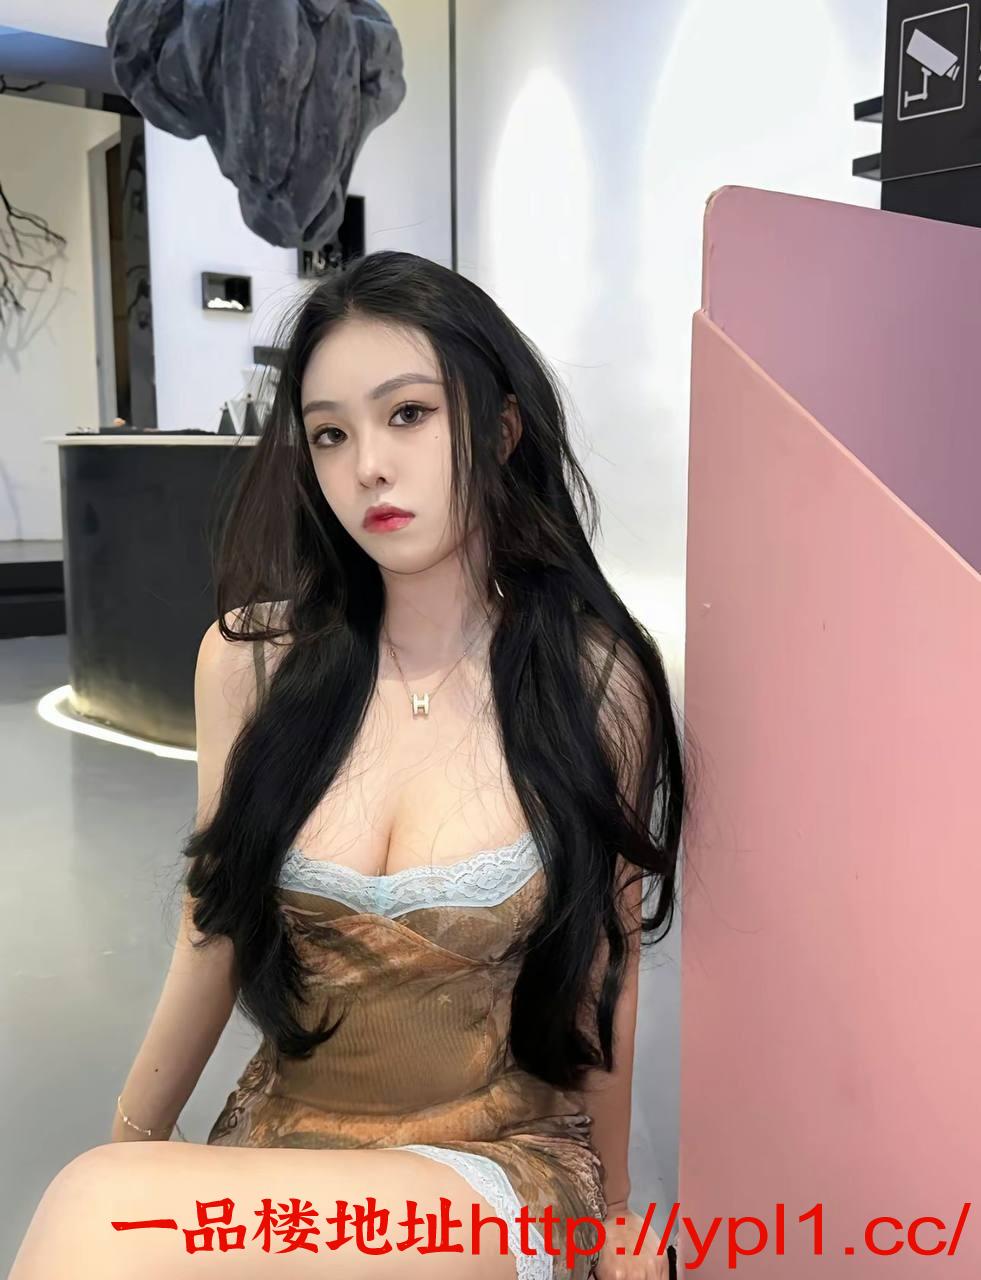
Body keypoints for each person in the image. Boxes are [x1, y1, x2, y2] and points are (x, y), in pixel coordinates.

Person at [11, 251, 686, 1280]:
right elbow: (212, 930)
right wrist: (132, 1141)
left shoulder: (593, 680)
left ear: (501, 428)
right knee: (94, 1199)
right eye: (329, 432)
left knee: (103, 1212)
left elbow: (607, 962)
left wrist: (620, 1211)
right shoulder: (251, 661)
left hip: (496, 1160)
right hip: (290, 1138)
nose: (367, 464)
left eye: (408, 414)